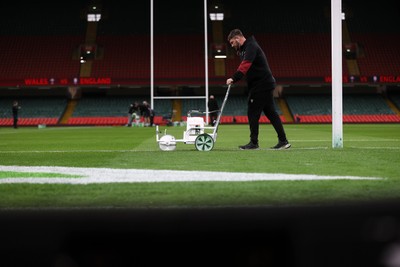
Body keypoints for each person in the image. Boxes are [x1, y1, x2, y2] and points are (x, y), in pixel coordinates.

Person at [226, 29, 291, 150]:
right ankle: (283, 141)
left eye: (232, 42)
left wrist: (234, 78)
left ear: (237, 38)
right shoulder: (245, 48)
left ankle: (254, 143)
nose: (232, 45)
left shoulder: (251, 46)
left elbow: (245, 65)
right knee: (271, 113)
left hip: (261, 85)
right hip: (263, 84)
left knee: (253, 113)